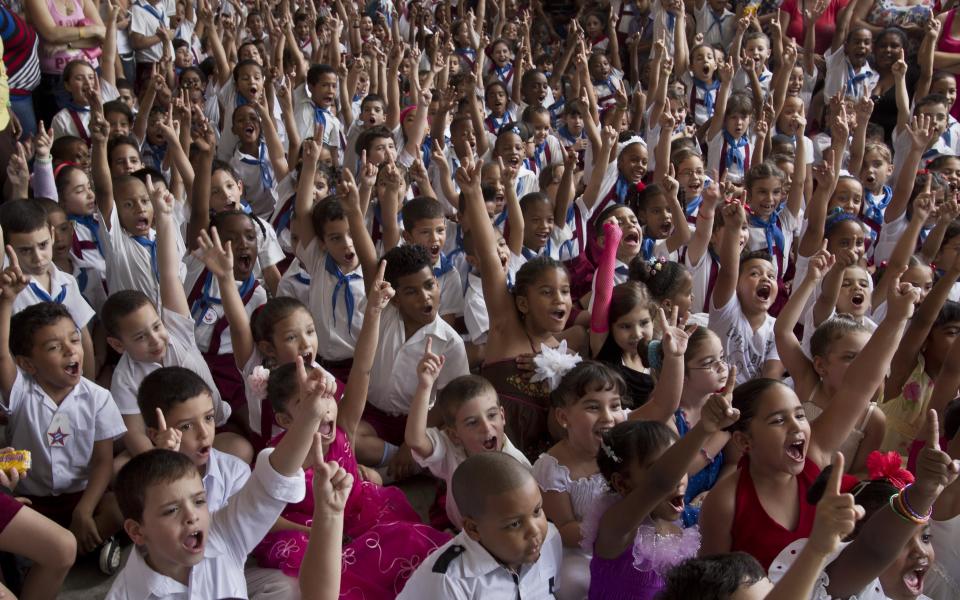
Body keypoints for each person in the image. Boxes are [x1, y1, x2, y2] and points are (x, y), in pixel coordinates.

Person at [397, 452, 563, 599]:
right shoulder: (450, 582)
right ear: (473, 529)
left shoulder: (550, 540)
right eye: (515, 524)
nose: (535, 530)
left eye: (537, 511)